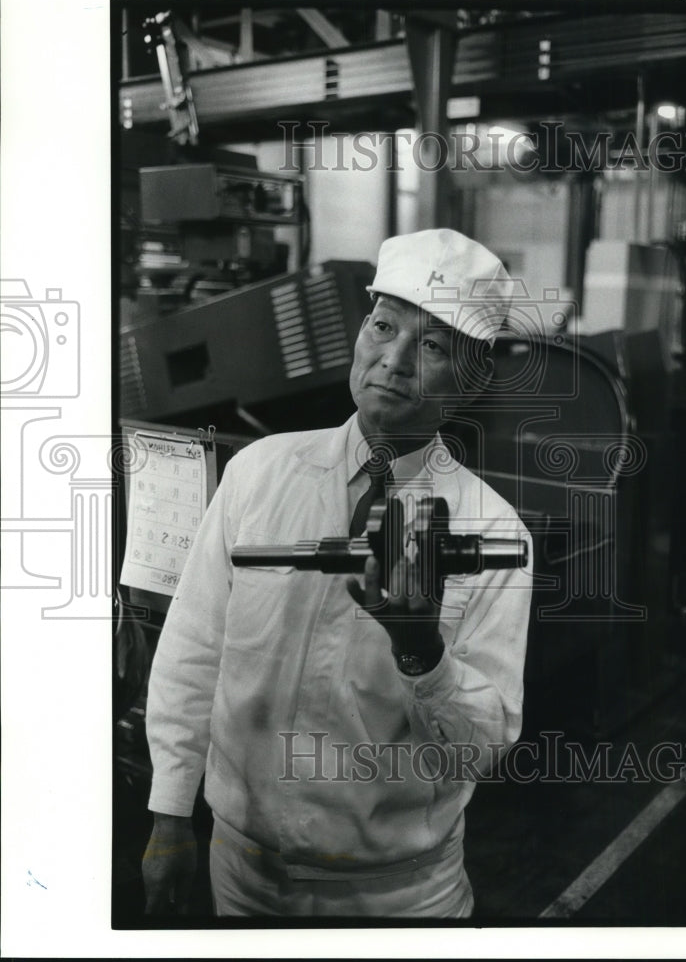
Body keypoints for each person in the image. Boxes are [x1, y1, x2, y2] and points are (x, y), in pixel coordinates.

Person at [142, 228, 534, 918]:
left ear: (471, 381)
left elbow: (482, 748)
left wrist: (421, 650)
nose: (395, 360)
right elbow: (194, 651)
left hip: (396, 898)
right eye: (384, 327)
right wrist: (170, 813)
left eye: (434, 346)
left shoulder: (493, 532)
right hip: (239, 875)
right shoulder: (258, 473)